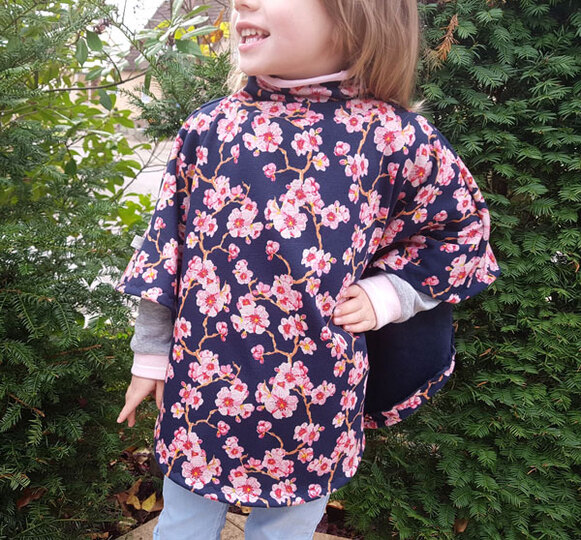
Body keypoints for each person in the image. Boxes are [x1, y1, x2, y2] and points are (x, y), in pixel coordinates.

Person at [116, 0, 500, 538]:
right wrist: (152, 355)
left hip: (315, 399)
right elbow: (166, 249)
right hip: (202, 390)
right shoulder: (210, 128)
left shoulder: (394, 138)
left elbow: (461, 231)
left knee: (285, 530)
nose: (241, 2)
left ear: (358, 16)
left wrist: (390, 294)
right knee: (183, 524)